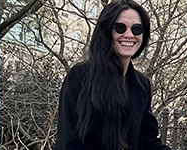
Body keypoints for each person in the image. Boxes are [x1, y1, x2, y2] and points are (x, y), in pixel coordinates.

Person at [55, 1, 171, 150]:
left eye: (137, 29)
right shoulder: (80, 77)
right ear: (106, 31)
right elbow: (70, 143)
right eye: (120, 27)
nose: (129, 35)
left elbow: (148, 142)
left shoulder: (142, 85)